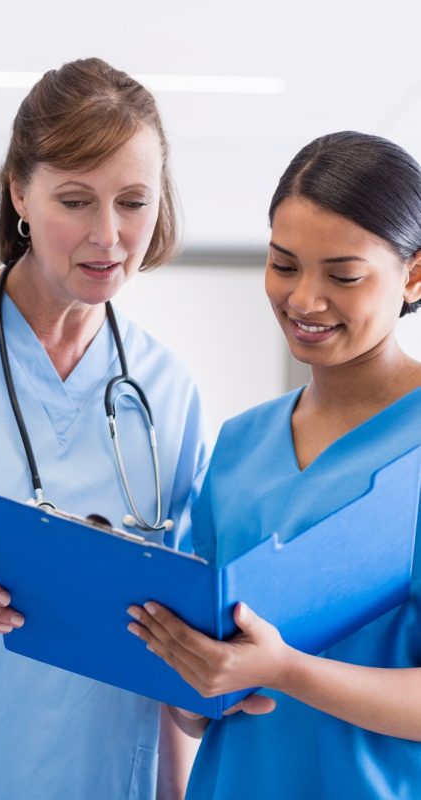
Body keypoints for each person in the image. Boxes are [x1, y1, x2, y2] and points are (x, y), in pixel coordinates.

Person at [0, 58, 209, 800]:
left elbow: (171, 644)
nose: (108, 236)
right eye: (76, 201)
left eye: (134, 202)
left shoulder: (166, 390)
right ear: (19, 190)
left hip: (104, 775)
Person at [128, 131, 421, 799]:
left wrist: (287, 670)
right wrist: (190, 677)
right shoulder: (239, 443)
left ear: (413, 274)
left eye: (342, 275)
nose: (304, 300)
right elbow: (196, 706)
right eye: (284, 265)